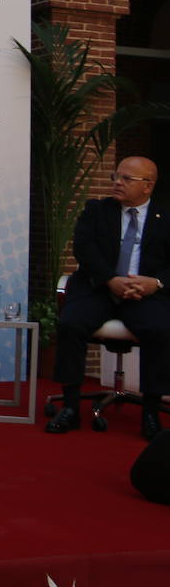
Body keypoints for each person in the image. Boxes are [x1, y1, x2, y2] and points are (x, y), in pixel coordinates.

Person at [46, 156, 169, 440]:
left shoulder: (165, 218)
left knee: (160, 329)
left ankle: (151, 413)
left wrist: (155, 283)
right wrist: (110, 279)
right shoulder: (97, 210)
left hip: (143, 294)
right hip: (99, 288)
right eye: (116, 176)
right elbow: (83, 249)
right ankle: (70, 407)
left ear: (148, 185)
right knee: (71, 324)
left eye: (127, 178)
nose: (117, 183)